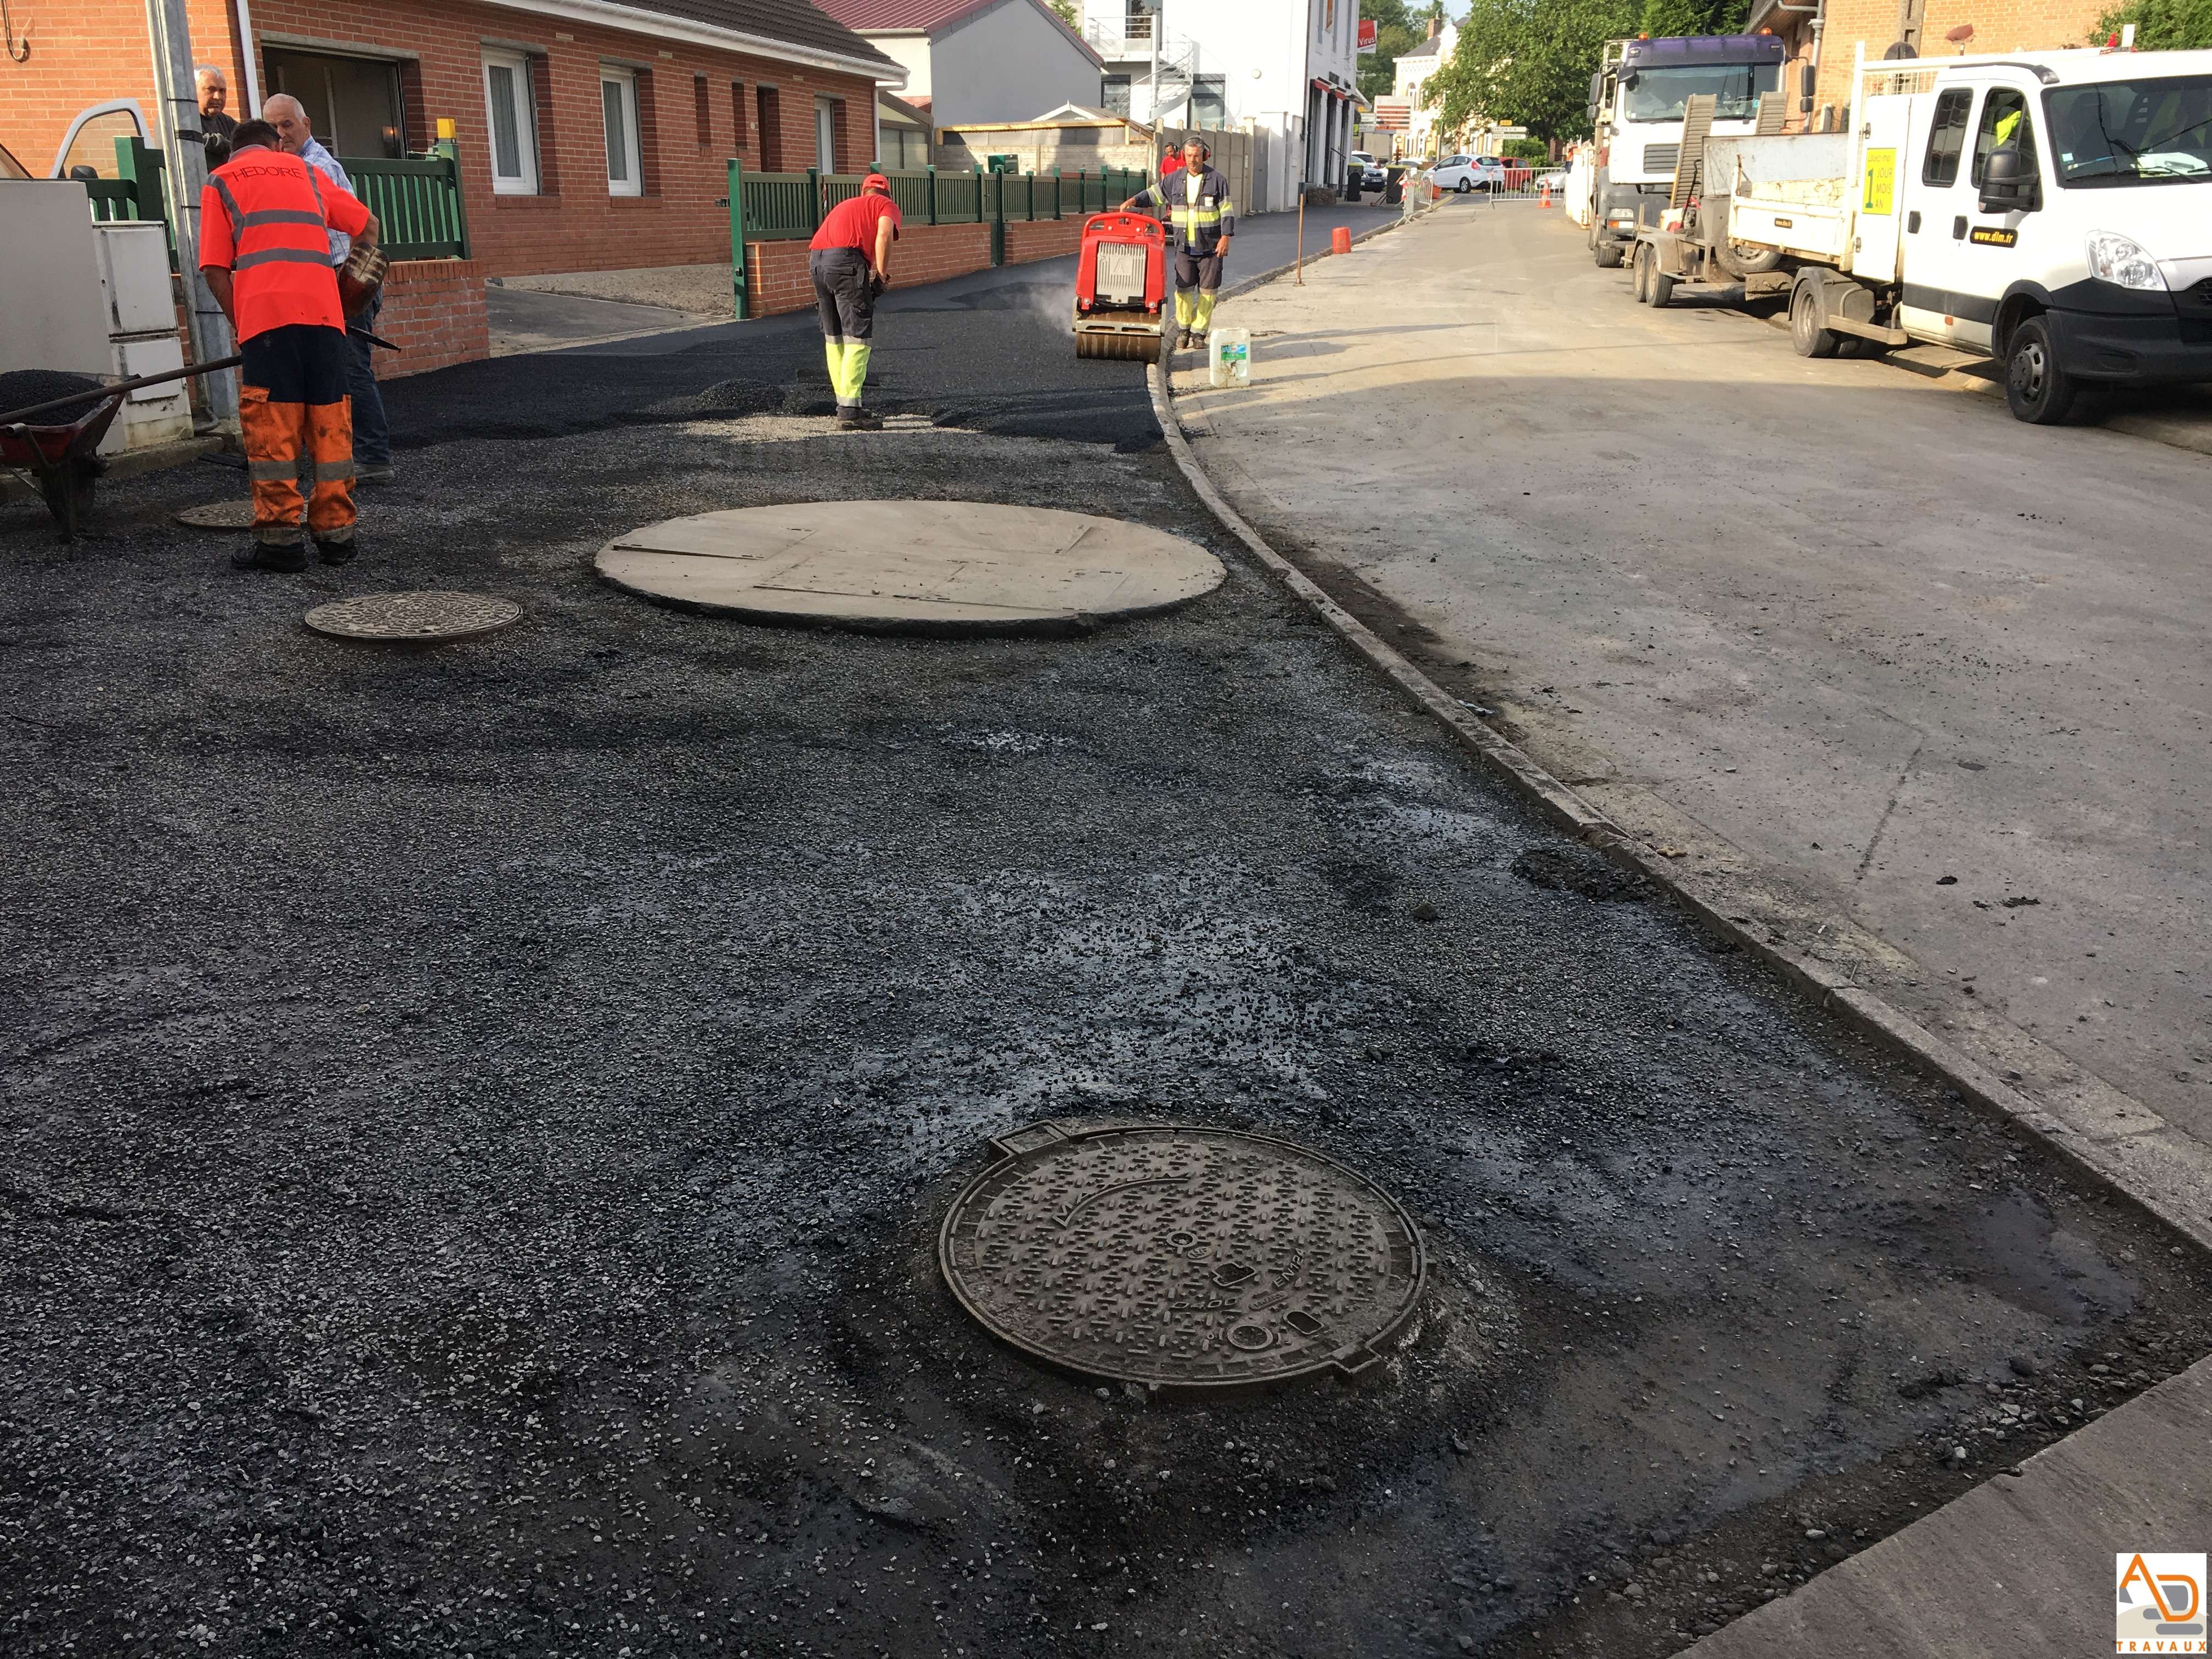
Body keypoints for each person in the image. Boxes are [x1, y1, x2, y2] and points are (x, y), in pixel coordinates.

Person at [197, 117, 380, 572]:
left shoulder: (219, 182)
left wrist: (244, 323)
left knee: (274, 433)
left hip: (268, 324)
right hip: (325, 318)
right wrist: (350, 292)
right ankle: (337, 538)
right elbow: (368, 227)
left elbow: (213, 269)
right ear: (275, 145)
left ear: (234, 151)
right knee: (329, 425)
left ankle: (281, 544)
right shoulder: (309, 173)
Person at [263, 92, 394, 483]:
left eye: (287, 124)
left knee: (353, 370)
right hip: (322, 284)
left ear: (307, 125)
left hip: (343, 282)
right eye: (273, 127)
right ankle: (349, 452)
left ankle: (374, 458)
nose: (281, 134)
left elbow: (361, 226)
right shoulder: (287, 168)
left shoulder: (318, 168)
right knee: (337, 371)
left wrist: (350, 286)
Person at [1121, 138, 1235, 352]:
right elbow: (1153, 195)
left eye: (1197, 156)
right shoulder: (1174, 180)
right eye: (1189, 156)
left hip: (1210, 247)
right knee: (1183, 291)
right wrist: (1133, 201)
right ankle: (1183, 331)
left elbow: (1227, 210)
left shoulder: (1217, 180)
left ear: (1205, 156)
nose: (1193, 160)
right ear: (1184, 156)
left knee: (1208, 292)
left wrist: (1226, 236)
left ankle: (1199, 334)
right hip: (1184, 247)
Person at [808, 172, 900, 430]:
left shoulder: (846, 205)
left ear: (864, 191)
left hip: (817, 263)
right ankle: (850, 413)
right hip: (847, 263)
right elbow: (883, 235)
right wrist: (881, 277)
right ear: (888, 193)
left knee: (834, 337)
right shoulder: (886, 206)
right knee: (857, 337)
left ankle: (845, 403)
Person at [196, 66, 238, 165]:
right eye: (211, 90)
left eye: (222, 91)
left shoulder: (226, 121)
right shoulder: (180, 119)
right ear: (192, 91)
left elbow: (249, 137)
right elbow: (187, 141)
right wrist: (223, 144)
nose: (218, 97)